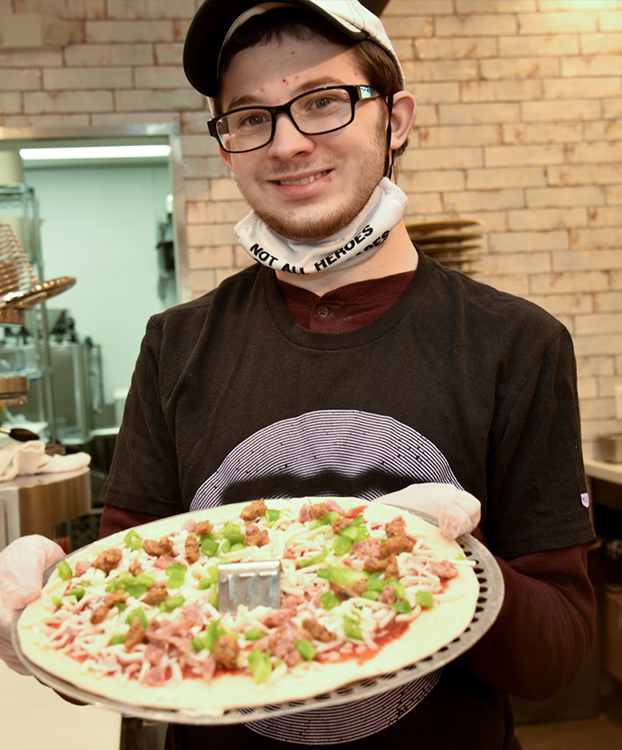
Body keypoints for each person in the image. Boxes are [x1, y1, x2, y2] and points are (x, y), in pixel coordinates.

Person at [0, 2, 596, 748]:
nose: (285, 143)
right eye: (250, 117)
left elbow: (559, 657)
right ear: (226, 146)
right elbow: (139, 626)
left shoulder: (516, 344)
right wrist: (56, 612)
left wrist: (447, 565)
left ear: (396, 119)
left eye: (322, 102)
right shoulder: (175, 344)